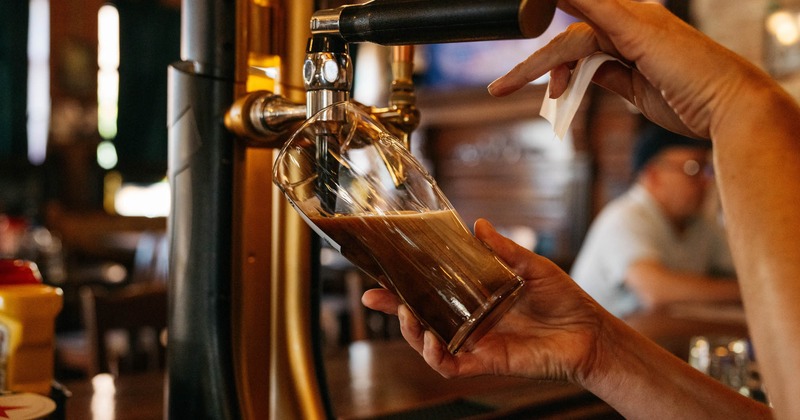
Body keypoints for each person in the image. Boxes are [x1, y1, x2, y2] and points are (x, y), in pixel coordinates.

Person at [361, 0, 800, 418]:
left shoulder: (700, 219)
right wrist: (597, 346)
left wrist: (744, 108)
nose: (704, 179)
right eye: (692, 167)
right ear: (649, 175)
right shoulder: (631, 216)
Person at [570, 123, 740, 317]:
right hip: (598, 343)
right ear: (653, 175)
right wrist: (744, 291)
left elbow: (743, 269)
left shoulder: (700, 223)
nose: (706, 181)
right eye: (693, 168)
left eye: (707, 169)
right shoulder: (624, 217)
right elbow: (656, 292)